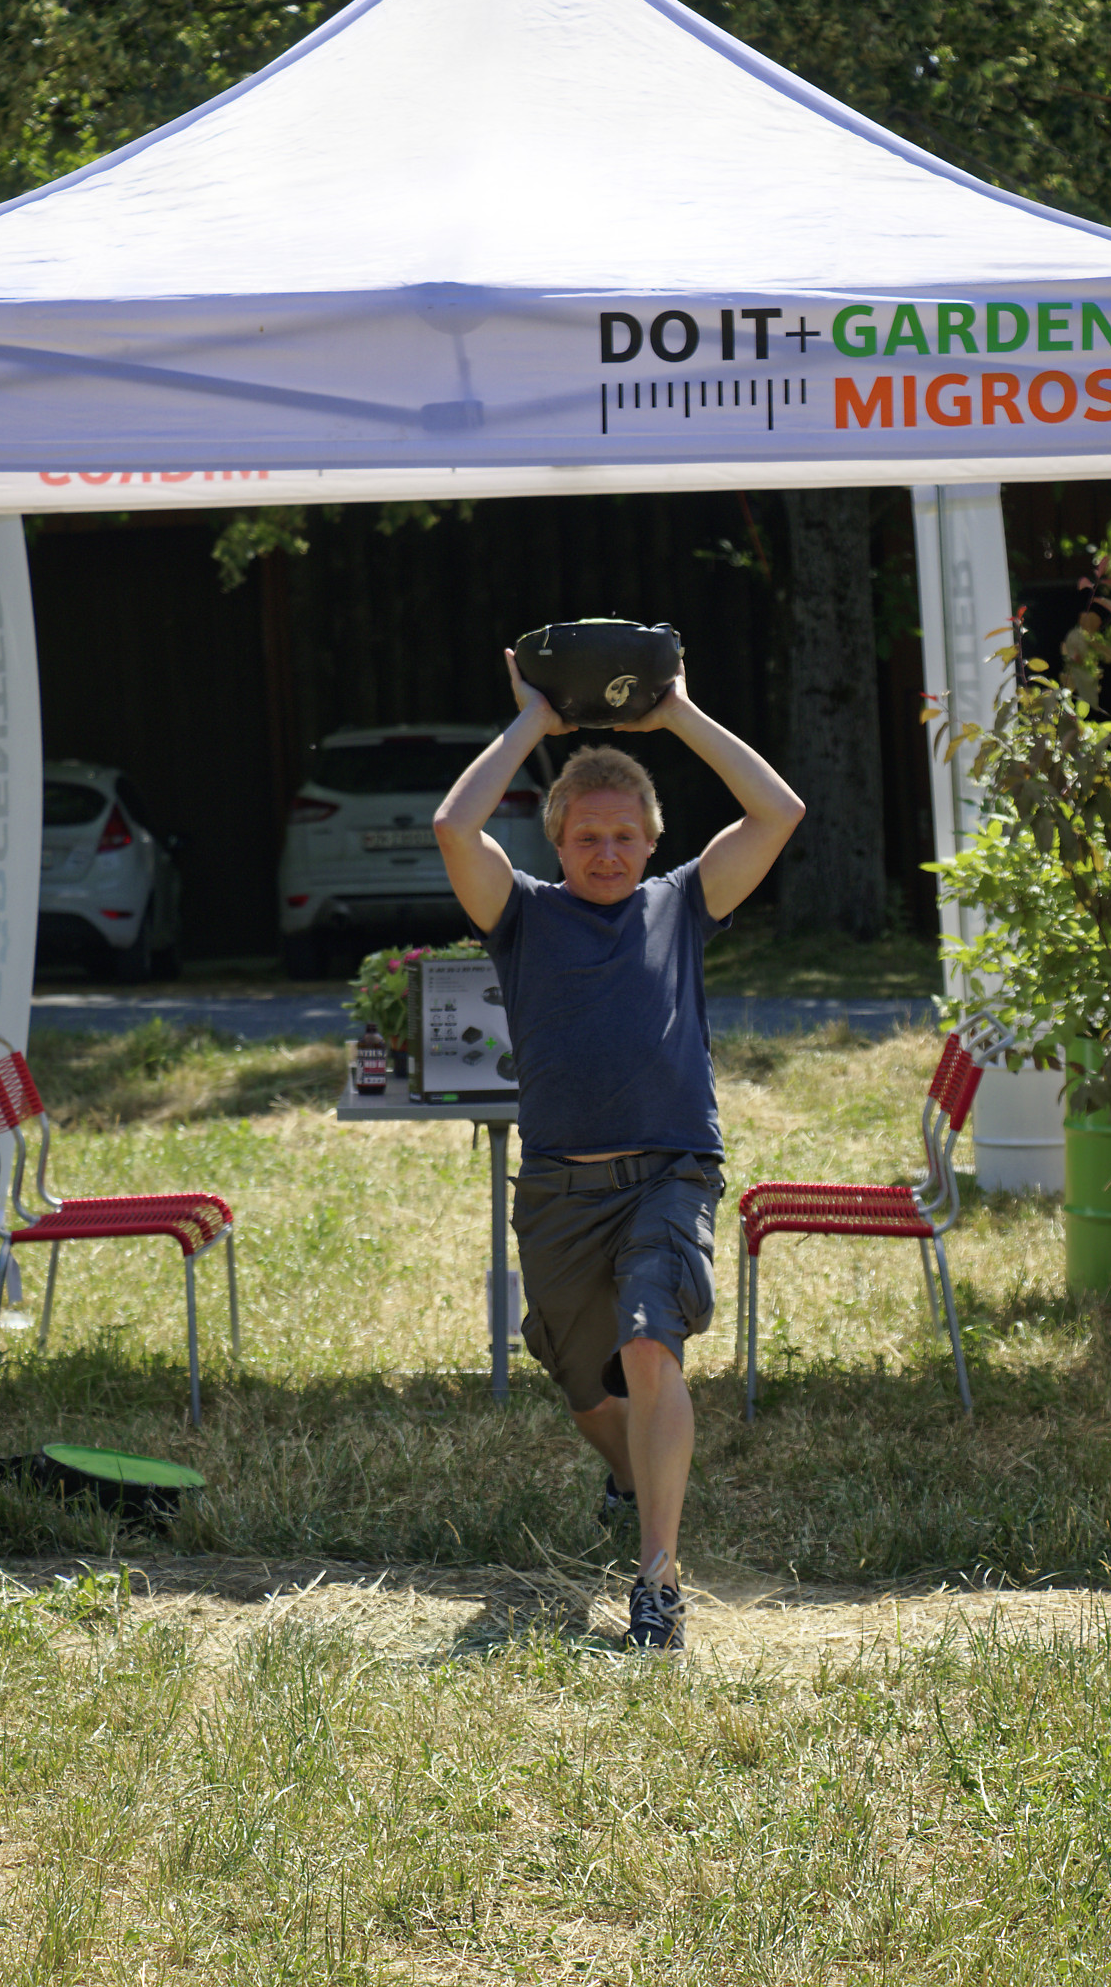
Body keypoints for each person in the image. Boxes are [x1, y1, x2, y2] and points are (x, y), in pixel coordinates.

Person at [434, 650, 804, 1651]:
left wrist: (676, 712)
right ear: (556, 839)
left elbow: (777, 811)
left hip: (671, 1172)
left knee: (649, 1345)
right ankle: (634, 1476)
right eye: (588, 836)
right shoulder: (520, 914)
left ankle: (658, 1577)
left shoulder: (681, 904)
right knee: (585, 1386)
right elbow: (454, 827)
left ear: (652, 840)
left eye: (625, 835)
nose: (607, 853)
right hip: (560, 1187)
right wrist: (532, 723)